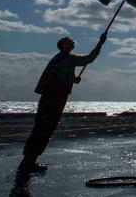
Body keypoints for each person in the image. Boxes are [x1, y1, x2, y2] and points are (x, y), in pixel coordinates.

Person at [17, 33, 107, 174]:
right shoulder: (67, 59)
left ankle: (27, 160)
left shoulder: (58, 59)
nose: (72, 41)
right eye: (69, 41)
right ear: (64, 45)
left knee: (39, 128)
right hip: (56, 98)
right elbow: (89, 59)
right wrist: (100, 43)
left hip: (47, 97)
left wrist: (71, 79)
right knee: (46, 129)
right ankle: (29, 162)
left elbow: (57, 77)